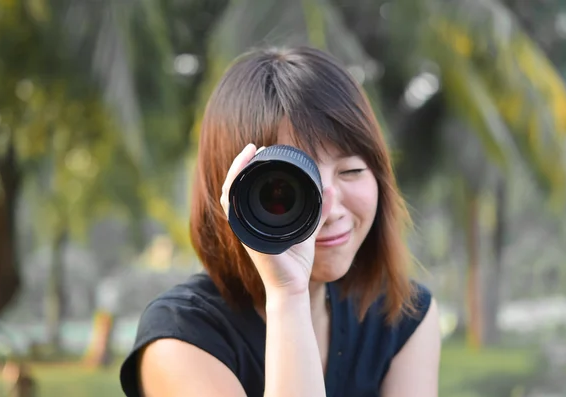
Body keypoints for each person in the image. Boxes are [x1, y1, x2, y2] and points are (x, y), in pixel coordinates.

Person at [119, 46, 441, 397]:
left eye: (351, 171)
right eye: (290, 188)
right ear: (234, 191)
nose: (330, 210)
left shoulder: (402, 317)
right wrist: (288, 295)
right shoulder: (181, 339)